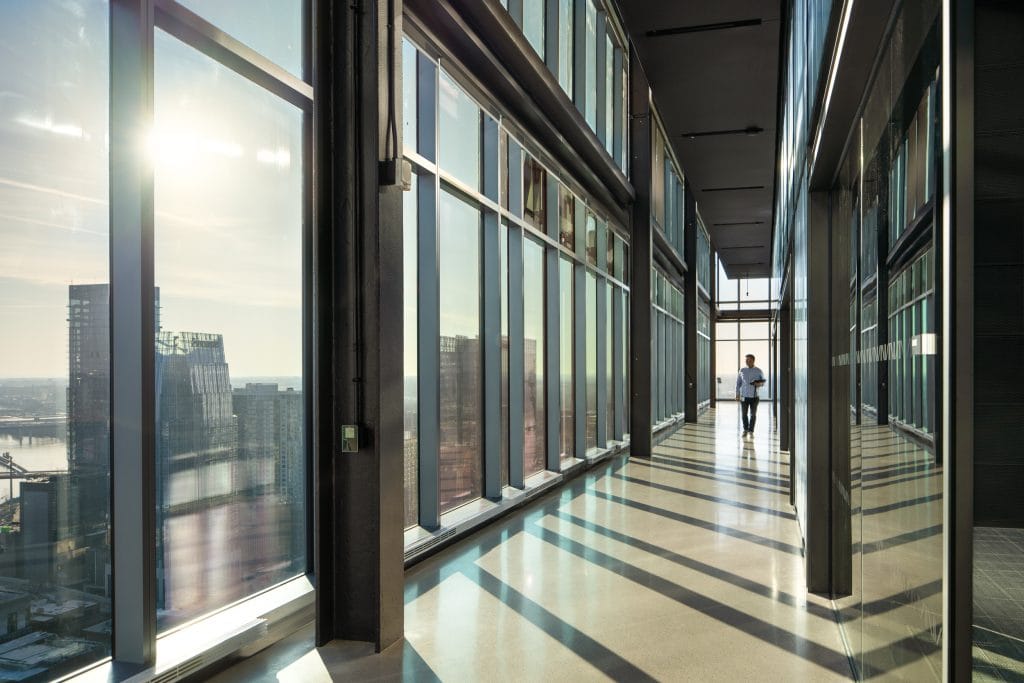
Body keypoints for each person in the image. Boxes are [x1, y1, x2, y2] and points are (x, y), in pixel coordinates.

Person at [735, 354, 766, 437]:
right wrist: (737, 394)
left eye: (749, 360)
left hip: (755, 397)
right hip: (744, 397)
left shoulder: (759, 370)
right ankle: (745, 429)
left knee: (753, 415)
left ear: (753, 361)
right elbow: (738, 383)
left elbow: (763, 382)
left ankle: (751, 431)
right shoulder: (742, 370)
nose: (747, 361)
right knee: (744, 414)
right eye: (746, 360)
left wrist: (759, 384)